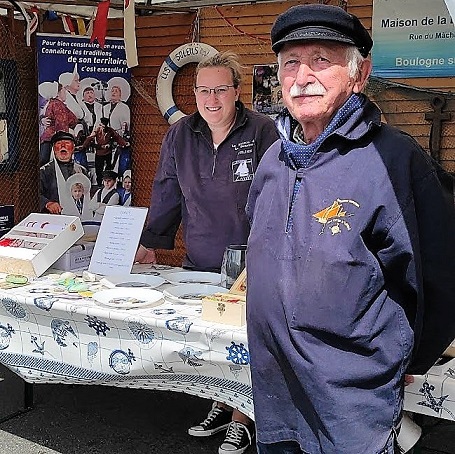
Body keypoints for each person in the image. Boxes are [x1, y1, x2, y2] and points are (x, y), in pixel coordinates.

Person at [245, 4, 455, 454]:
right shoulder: (272, 161)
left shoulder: (394, 161)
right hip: (274, 390)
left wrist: (413, 355)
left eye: (321, 60)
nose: (301, 77)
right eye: (290, 63)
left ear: (358, 76)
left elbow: (440, 273)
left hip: (349, 400)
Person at [135, 51, 279, 454]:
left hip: (252, 263)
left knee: (245, 339)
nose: (211, 99)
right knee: (212, 340)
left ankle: (242, 418)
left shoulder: (264, 131)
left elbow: (279, 196)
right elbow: (166, 192)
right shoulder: (179, 135)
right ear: (193, 93)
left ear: (236, 91)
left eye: (220, 89)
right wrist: (151, 243)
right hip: (200, 259)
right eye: (203, 91)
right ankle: (222, 400)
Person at [40, 130, 88, 214]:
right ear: (54, 149)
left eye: (67, 143)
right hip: (53, 218)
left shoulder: (82, 171)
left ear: (73, 148)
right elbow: (35, 195)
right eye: (59, 143)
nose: (63, 146)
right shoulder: (44, 171)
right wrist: (47, 203)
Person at [39, 83, 79, 166]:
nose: (66, 94)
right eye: (64, 91)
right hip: (54, 140)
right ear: (58, 93)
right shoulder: (58, 105)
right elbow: (61, 125)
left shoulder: (52, 103)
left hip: (48, 139)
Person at [82, 117, 128, 187]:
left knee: (108, 168)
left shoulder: (110, 130)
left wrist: (124, 143)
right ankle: (99, 183)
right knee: (98, 169)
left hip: (107, 153)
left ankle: (108, 183)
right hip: (99, 153)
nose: (104, 128)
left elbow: (117, 137)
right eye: (102, 126)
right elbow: (90, 138)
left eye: (105, 126)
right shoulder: (97, 129)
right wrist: (84, 146)